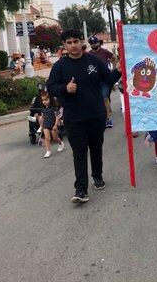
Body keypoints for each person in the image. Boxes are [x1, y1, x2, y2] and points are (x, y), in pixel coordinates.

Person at [47, 29, 121, 204]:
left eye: (75, 41)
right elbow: (51, 87)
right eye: (69, 42)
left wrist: (117, 71)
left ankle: (98, 176)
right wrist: (65, 88)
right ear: (64, 45)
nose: (73, 45)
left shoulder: (94, 61)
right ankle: (81, 189)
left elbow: (109, 79)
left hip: (96, 114)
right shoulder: (60, 66)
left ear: (81, 42)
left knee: (96, 148)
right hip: (74, 118)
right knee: (79, 152)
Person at [88, 36, 115, 128]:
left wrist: (114, 70)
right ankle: (101, 116)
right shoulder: (89, 54)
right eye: (91, 44)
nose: (93, 45)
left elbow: (114, 57)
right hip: (94, 80)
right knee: (97, 99)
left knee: (105, 98)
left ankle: (107, 120)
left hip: (105, 79)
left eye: (94, 43)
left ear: (98, 43)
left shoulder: (104, 52)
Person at [38, 91, 64, 158]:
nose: (44, 102)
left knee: (55, 138)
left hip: (53, 125)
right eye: (43, 100)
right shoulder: (43, 109)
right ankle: (48, 151)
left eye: (46, 100)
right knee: (47, 138)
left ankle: (61, 143)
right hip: (46, 125)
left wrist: (56, 125)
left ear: (50, 99)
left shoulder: (54, 108)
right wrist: (41, 122)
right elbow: (43, 117)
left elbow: (57, 117)